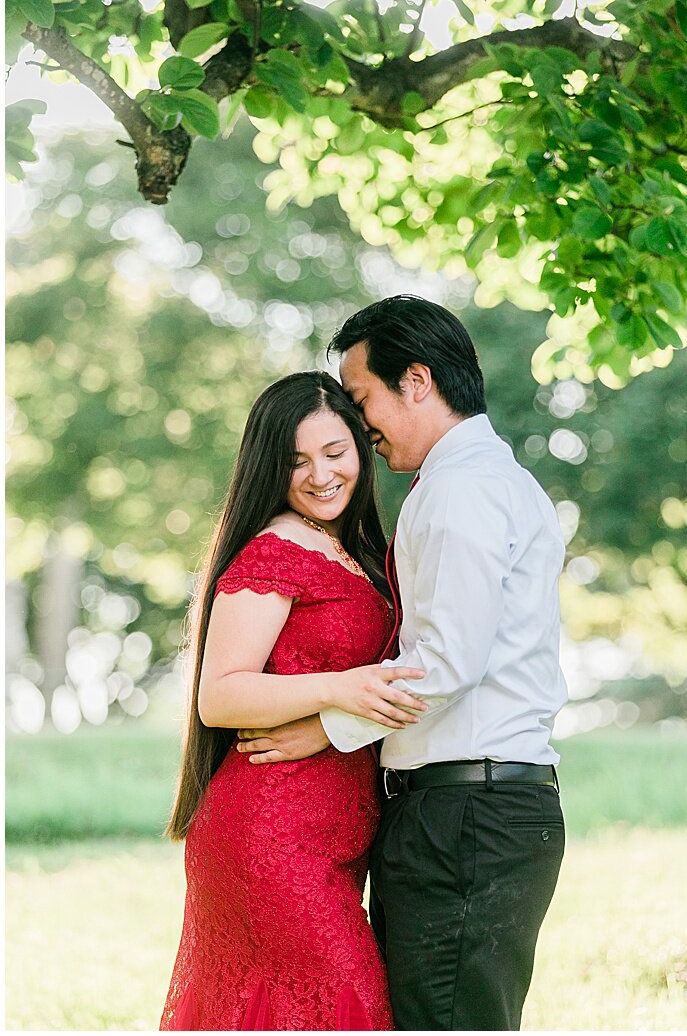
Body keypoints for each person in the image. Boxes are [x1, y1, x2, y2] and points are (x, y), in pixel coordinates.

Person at [235, 296, 569, 1031]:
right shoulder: (481, 481)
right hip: (467, 809)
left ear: (415, 381)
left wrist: (322, 726)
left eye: (361, 400)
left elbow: (445, 663)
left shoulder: (462, 491)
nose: (361, 428)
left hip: (467, 814)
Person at [161, 371, 430, 1030]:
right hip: (271, 842)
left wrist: (329, 720)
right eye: (295, 461)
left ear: (361, 449)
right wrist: (340, 690)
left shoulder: (354, 548)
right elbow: (220, 696)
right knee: (351, 1008)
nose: (319, 475)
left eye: (335, 453)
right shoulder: (277, 546)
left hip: (334, 842)